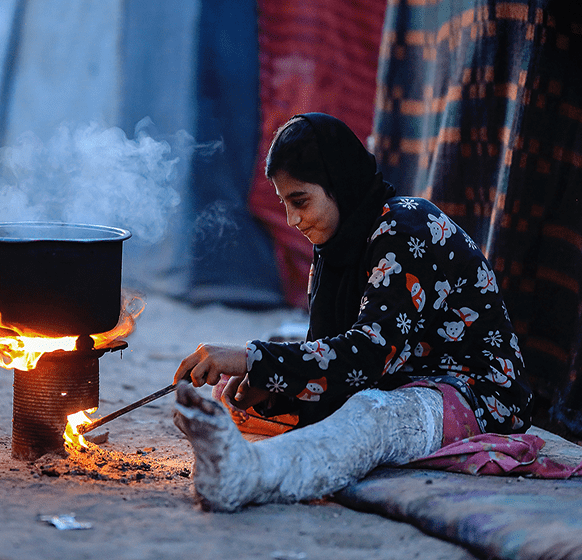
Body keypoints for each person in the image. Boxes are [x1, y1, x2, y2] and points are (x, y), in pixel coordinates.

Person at [171, 113, 533, 512]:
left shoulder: (405, 228)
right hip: (395, 381)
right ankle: (261, 450)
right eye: (285, 204)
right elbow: (331, 352)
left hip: (470, 396)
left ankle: (249, 475)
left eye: (301, 201)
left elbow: (367, 354)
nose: (292, 220)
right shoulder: (337, 245)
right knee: (235, 394)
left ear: (338, 182)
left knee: (374, 417)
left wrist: (252, 356)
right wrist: (269, 382)